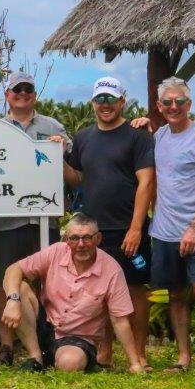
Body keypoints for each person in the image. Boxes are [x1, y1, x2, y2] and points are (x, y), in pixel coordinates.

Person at [63, 77, 154, 367]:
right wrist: (57, 157)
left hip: (128, 229)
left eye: (111, 99)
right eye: (100, 99)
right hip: (93, 232)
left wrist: (136, 228)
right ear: (92, 103)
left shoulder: (138, 135)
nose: (105, 105)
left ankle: (138, 352)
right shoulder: (83, 137)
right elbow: (78, 178)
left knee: (135, 290)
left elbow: (146, 182)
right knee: (98, 293)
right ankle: (104, 354)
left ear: (122, 102)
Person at [0, 71, 69, 366]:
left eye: (28, 89)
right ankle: (6, 346)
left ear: (34, 94)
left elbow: (68, 161)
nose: (23, 93)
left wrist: (60, 146)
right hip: (6, 221)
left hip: (44, 219)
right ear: (7, 95)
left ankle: (45, 341)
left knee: (46, 282)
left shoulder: (52, 126)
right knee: (5, 281)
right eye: (17, 89)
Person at [0, 212, 145, 373]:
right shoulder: (55, 252)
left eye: (87, 238)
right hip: (46, 323)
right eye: (74, 238)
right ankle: (35, 358)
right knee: (19, 288)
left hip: (78, 337)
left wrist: (135, 363)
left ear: (98, 239)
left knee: (69, 363)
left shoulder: (112, 270)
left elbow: (120, 321)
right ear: (66, 240)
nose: (81, 244)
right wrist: (13, 300)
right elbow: (13, 269)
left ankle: (63, 359)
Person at [148, 77, 195, 375]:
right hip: (164, 230)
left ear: (189, 104)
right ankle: (183, 357)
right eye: (167, 102)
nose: (173, 106)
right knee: (177, 294)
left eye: (179, 101)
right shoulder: (159, 138)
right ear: (159, 106)